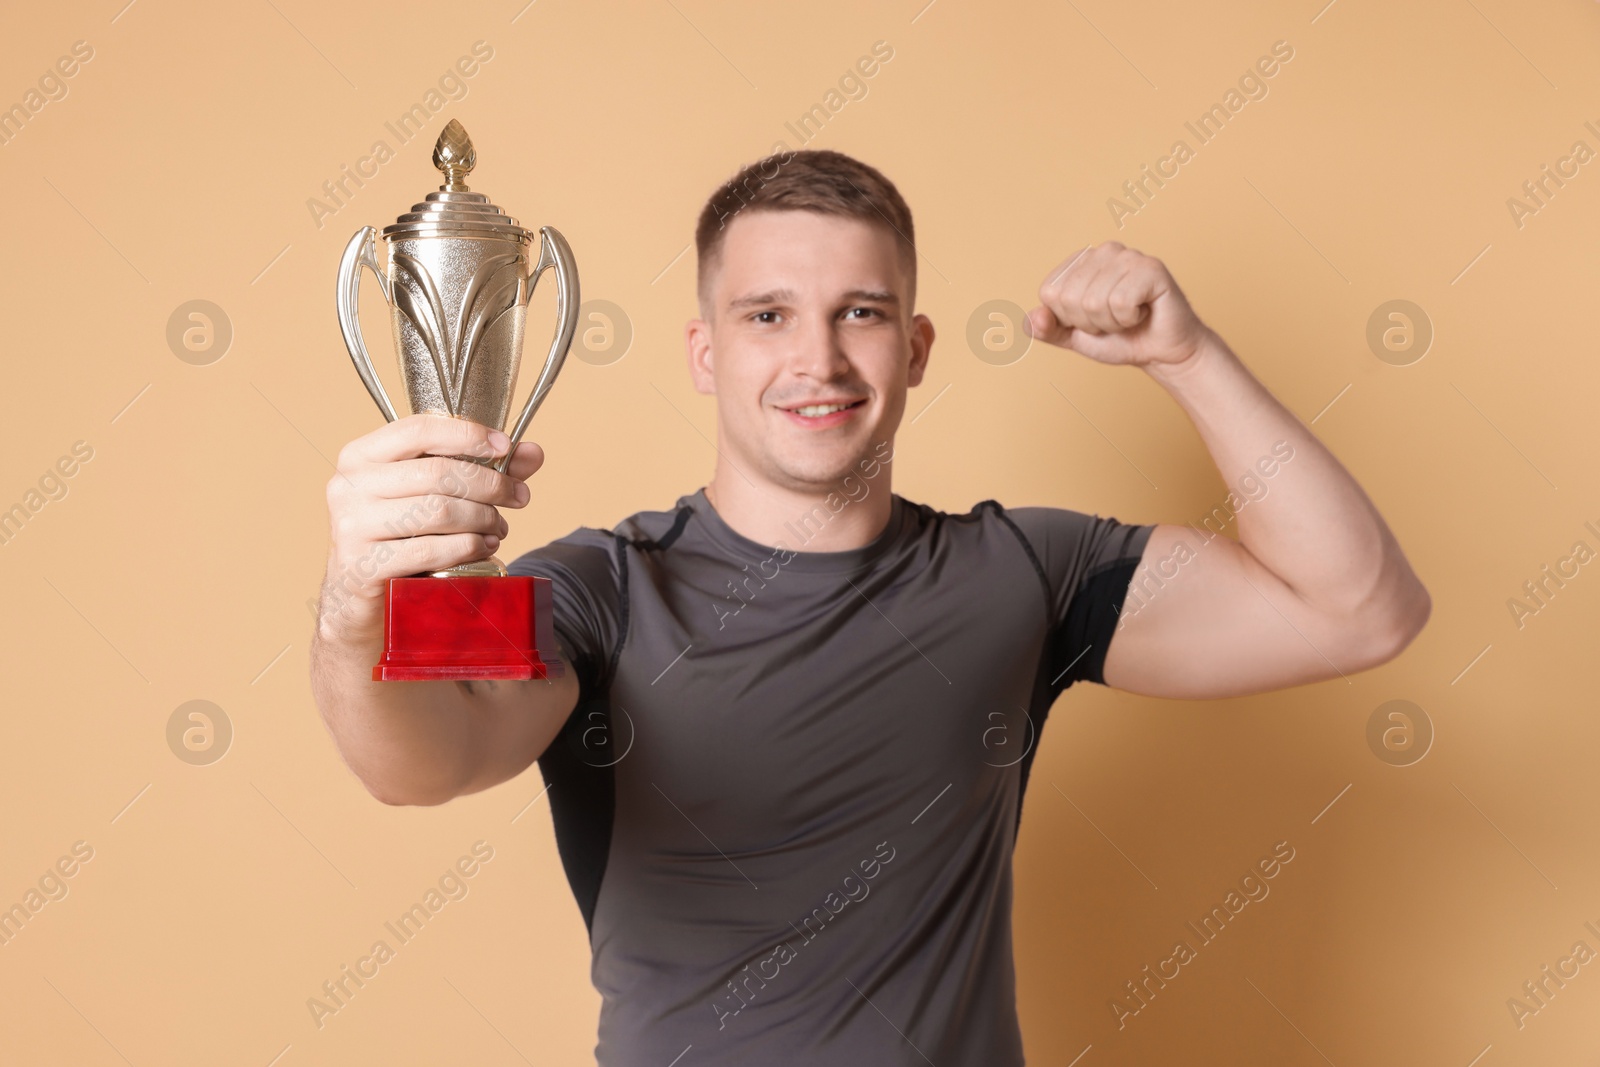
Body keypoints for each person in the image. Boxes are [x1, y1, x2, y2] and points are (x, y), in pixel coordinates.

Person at [310, 148, 1430, 1065]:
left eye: (860, 312)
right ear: (704, 354)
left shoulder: (1022, 573)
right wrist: (358, 607)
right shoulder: (590, 585)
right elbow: (426, 758)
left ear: (916, 346)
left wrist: (1187, 357)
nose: (818, 357)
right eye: (766, 315)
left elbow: (1359, 610)